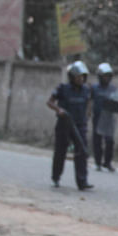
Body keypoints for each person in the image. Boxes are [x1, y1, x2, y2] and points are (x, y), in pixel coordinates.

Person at [46, 61, 93, 190]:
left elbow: (89, 102)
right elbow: (49, 102)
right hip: (64, 124)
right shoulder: (63, 88)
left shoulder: (86, 89)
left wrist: (87, 115)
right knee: (60, 152)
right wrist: (59, 110)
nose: (81, 79)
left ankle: (82, 181)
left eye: (83, 76)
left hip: (79, 124)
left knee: (81, 151)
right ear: (72, 77)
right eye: (78, 77)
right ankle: (56, 177)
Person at [91, 63, 118, 172]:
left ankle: (107, 162)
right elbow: (90, 101)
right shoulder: (94, 88)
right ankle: (97, 162)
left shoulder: (113, 89)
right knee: (97, 141)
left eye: (108, 76)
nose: (106, 78)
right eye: (104, 76)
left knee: (109, 141)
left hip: (109, 118)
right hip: (97, 117)